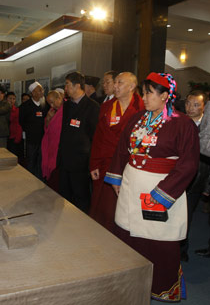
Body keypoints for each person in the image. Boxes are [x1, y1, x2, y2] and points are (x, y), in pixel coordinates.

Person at [104, 72, 200, 301]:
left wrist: (163, 192)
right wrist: (116, 178)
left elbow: (188, 164)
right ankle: (129, 280)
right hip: (131, 186)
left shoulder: (182, 123)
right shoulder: (137, 119)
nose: (144, 97)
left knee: (157, 240)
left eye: (149, 93)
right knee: (128, 234)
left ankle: (161, 286)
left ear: (166, 95)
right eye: (144, 92)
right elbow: (121, 151)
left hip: (159, 190)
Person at [89, 72, 144, 232]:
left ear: (132, 87)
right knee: (104, 205)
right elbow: (98, 138)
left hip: (129, 165)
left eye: (120, 83)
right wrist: (94, 163)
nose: (115, 86)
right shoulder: (107, 107)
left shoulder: (142, 108)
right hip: (106, 162)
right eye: (116, 83)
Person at [57, 72, 100, 212]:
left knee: (81, 198)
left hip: (81, 163)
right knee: (63, 197)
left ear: (77, 86)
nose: (65, 88)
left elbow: (94, 137)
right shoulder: (67, 105)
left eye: (68, 85)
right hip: (65, 160)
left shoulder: (92, 107)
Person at [183, 90, 210, 261]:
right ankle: (179, 248)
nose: (191, 108)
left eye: (196, 104)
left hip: (198, 180)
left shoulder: (206, 129)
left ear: (204, 107)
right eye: (188, 103)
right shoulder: (177, 123)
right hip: (179, 179)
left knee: (189, 215)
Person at [19, 81, 49, 179]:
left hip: (43, 139)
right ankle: (30, 179)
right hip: (31, 139)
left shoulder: (45, 105)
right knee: (31, 160)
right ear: (33, 93)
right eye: (39, 90)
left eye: (42, 90)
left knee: (40, 161)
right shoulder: (25, 106)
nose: (42, 92)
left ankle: (39, 180)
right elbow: (21, 121)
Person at [41, 90, 64, 191]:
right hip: (51, 145)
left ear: (59, 98)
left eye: (53, 102)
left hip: (61, 147)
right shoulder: (51, 111)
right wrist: (48, 119)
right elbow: (46, 128)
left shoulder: (67, 109)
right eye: (49, 103)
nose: (52, 105)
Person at [6, 91, 23, 160]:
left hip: (13, 136)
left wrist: (18, 137)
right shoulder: (2, 109)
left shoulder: (17, 110)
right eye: (10, 98)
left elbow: (19, 125)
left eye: (13, 99)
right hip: (4, 135)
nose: (12, 100)